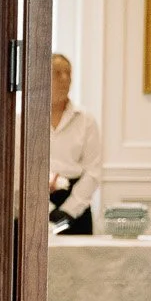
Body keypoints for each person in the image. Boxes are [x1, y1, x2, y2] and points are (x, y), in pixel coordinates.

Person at [49, 53, 100, 235]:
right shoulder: (23, 120)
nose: (64, 78)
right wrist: (43, 207)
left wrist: (68, 210)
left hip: (76, 207)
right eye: (57, 73)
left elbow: (93, 171)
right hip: (35, 203)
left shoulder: (86, 120)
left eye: (68, 73)